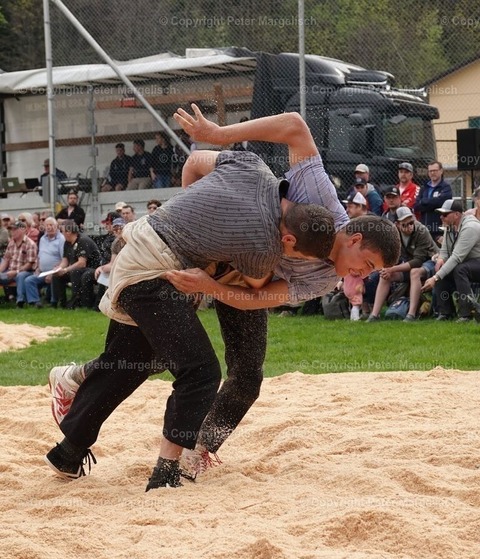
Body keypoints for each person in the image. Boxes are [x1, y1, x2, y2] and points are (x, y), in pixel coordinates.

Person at [45, 107, 400, 490]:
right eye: (367, 264)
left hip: (243, 286)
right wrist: (215, 140)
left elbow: (255, 297)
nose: (363, 275)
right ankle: (83, 405)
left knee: (244, 376)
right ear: (354, 239)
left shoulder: (324, 277)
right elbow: (294, 125)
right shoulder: (318, 198)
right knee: (157, 358)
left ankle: (196, 449)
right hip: (184, 259)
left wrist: (211, 285)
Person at [367, 207, 437, 322]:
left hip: (432, 262)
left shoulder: (421, 230)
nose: (410, 227)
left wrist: (392, 269)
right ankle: (374, 315)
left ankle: (411, 315)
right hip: (410, 265)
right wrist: (386, 269)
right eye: (405, 224)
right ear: (397, 224)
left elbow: (418, 261)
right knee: (385, 275)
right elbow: (390, 256)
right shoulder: (393, 234)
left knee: (414, 272)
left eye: (411, 223)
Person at [422, 199, 480, 322]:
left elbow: (456, 257)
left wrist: (435, 278)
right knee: (440, 268)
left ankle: (466, 314)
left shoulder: (470, 227)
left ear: (457, 214)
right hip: (469, 262)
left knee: (460, 269)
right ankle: (446, 313)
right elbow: (444, 250)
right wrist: (440, 260)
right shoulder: (450, 226)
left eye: (445, 214)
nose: (441, 217)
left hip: (476, 261)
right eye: (441, 214)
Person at [51, 220, 101, 309]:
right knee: (56, 275)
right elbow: (65, 261)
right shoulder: (67, 242)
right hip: (77, 269)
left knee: (75, 272)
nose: (61, 233)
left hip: (92, 269)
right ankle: (60, 303)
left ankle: (76, 302)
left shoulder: (83, 240)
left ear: (69, 232)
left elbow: (82, 263)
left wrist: (65, 270)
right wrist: (59, 269)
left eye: (62, 231)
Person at [23, 217, 65, 307]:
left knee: (54, 278)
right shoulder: (42, 239)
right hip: (42, 272)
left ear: (56, 226)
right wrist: (38, 268)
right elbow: (40, 256)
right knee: (29, 280)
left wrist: (52, 273)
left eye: (51, 225)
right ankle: (35, 302)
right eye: (47, 225)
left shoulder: (61, 239)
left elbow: (64, 259)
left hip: (55, 272)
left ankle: (54, 302)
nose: (49, 227)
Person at [0, 220, 37, 307]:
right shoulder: (11, 243)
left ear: (23, 230)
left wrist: (16, 272)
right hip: (10, 272)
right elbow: (6, 260)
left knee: (20, 275)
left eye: (15, 229)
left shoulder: (30, 244)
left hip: (27, 272)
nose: (12, 232)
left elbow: (30, 264)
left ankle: (20, 301)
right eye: (11, 230)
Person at [414, 161, 452, 239]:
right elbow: (417, 206)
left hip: (439, 230)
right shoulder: (424, 188)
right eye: (430, 171)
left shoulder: (446, 187)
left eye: (435, 170)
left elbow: (442, 202)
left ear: (441, 171)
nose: (432, 173)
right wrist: (433, 203)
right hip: (424, 229)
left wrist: (424, 201)